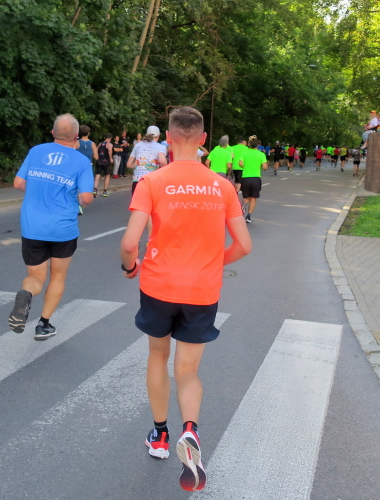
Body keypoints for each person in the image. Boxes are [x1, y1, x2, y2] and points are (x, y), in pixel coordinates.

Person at [120, 106, 251, 492]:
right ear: (204, 140)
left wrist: (131, 266)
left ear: (169, 139)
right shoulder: (222, 186)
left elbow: (129, 243)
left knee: (157, 355)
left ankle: (160, 435)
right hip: (202, 290)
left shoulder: (152, 182)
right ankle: (190, 430)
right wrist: (211, 263)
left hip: (159, 286)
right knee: (189, 370)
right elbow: (244, 245)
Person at [8, 113, 94, 340]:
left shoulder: (36, 151)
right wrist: (74, 199)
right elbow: (86, 197)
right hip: (63, 228)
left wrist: (38, 191)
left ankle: (25, 294)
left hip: (32, 226)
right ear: (76, 136)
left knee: (35, 277)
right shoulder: (81, 161)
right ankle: (43, 324)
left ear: (53, 132)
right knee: (57, 276)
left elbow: (18, 182)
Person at [128, 125, 167, 197]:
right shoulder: (161, 147)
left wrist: (139, 166)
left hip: (137, 181)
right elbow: (162, 161)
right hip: (152, 181)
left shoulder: (137, 145)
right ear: (158, 136)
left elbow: (129, 164)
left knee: (137, 203)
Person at [239, 136, 268, 223]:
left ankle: (242, 212)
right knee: (253, 198)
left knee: (245, 197)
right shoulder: (261, 154)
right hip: (256, 178)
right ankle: (249, 216)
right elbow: (265, 167)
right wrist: (261, 167)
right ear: (257, 145)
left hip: (246, 178)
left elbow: (240, 163)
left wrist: (245, 167)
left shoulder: (244, 153)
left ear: (249, 145)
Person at [95, 133, 113, 197]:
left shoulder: (100, 144)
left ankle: (95, 190)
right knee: (107, 176)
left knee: (98, 175)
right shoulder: (109, 144)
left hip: (99, 161)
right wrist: (111, 158)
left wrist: (97, 158)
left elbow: (96, 150)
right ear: (109, 138)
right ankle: (104, 191)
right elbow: (109, 150)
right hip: (106, 162)